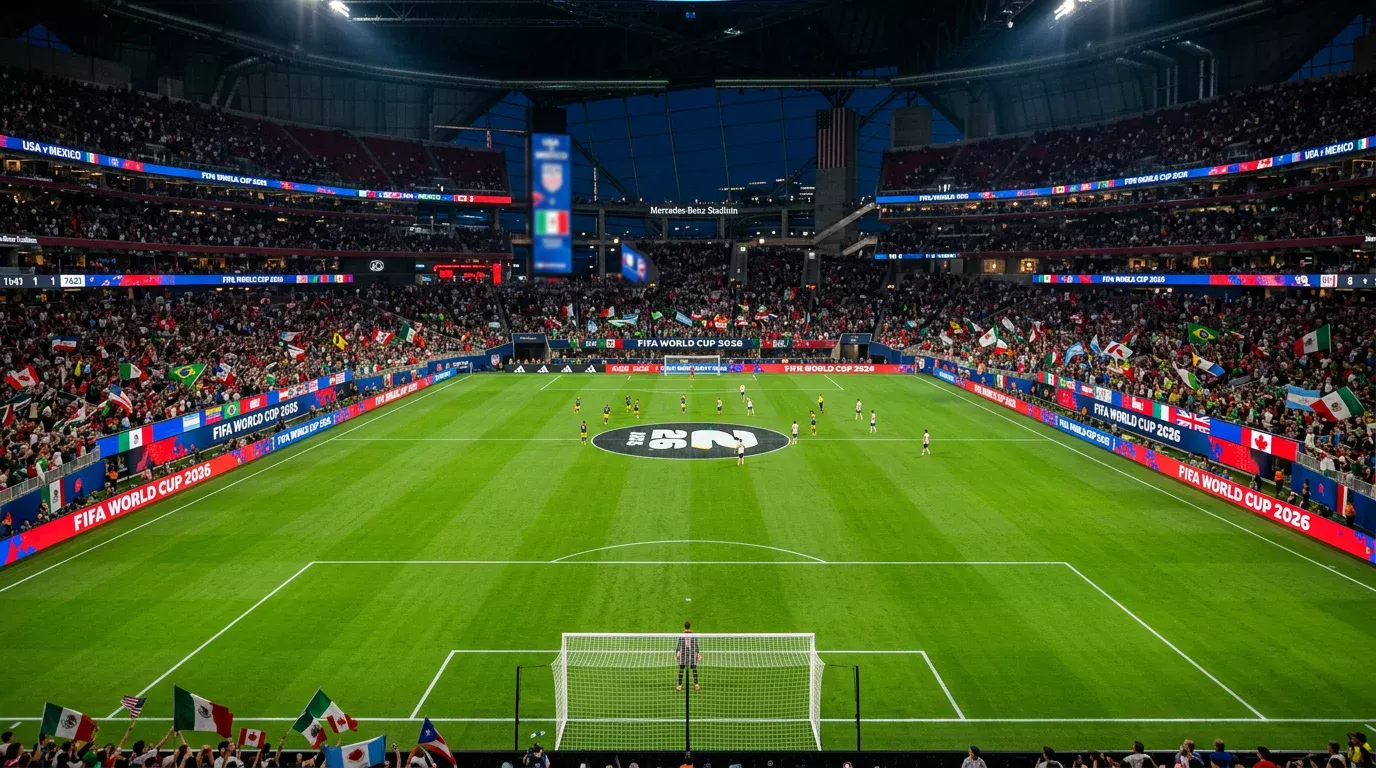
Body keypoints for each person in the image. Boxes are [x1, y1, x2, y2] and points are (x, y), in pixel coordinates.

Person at [675, 621, 701, 691]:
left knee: (681, 669)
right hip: (692, 653)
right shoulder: (693, 635)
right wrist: (698, 654)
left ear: (684, 626)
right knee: (694, 669)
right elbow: (696, 645)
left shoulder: (681, 635)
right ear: (690, 626)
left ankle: (679, 686)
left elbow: (679, 646)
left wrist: (677, 655)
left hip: (683, 653)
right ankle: (696, 685)